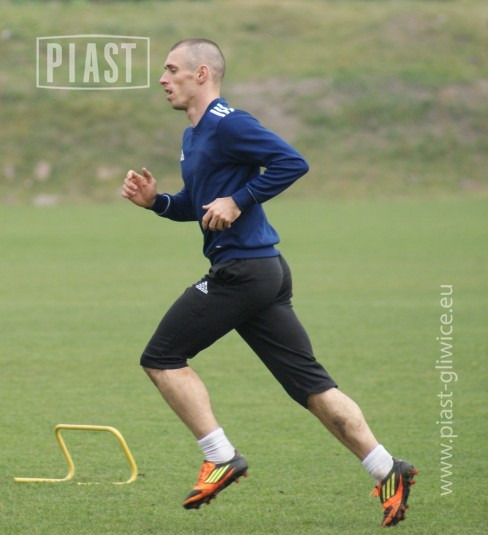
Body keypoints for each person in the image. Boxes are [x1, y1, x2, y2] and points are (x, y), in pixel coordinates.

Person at [121, 38, 417, 527]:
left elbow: (292, 162)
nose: (162, 79)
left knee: (162, 357)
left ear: (201, 74)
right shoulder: (194, 135)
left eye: (172, 69)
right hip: (262, 272)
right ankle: (387, 468)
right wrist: (157, 202)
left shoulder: (229, 123)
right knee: (311, 386)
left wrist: (238, 200)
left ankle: (220, 456)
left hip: (242, 272)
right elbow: (198, 206)